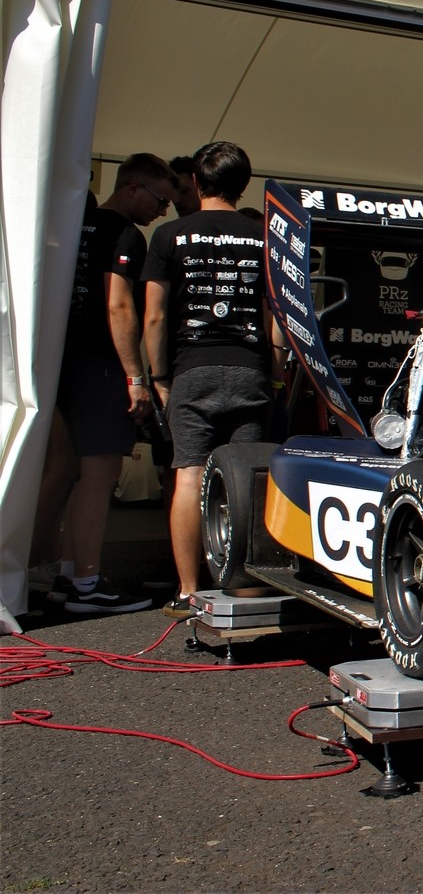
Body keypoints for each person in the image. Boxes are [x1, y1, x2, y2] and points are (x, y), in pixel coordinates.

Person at [143, 142, 278, 616]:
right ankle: (246, 585)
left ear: (197, 182)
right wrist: (275, 370)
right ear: (243, 186)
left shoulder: (168, 235)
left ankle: (187, 590)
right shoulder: (263, 237)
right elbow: (274, 316)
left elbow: (155, 316)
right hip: (249, 368)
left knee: (188, 474)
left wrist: (159, 376)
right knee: (249, 477)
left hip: (191, 368)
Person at [39, 154, 178, 614]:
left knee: (76, 473)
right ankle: (86, 584)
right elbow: (118, 304)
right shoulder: (125, 234)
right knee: (100, 475)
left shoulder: (77, 226)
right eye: (159, 200)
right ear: (133, 187)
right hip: (99, 365)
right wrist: (135, 376)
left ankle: (67, 576)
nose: (162, 210)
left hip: (63, 363)